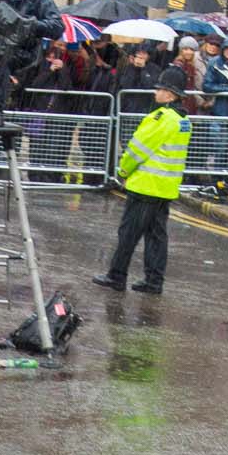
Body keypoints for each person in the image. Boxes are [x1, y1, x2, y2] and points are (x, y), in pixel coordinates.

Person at [93, 66, 190, 295]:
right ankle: (154, 281)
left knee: (128, 233)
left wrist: (123, 173)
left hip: (146, 185)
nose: (156, 92)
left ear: (170, 93)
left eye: (160, 88)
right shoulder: (183, 120)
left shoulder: (159, 118)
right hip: (165, 188)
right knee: (157, 236)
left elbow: (137, 150)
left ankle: (117, 276)